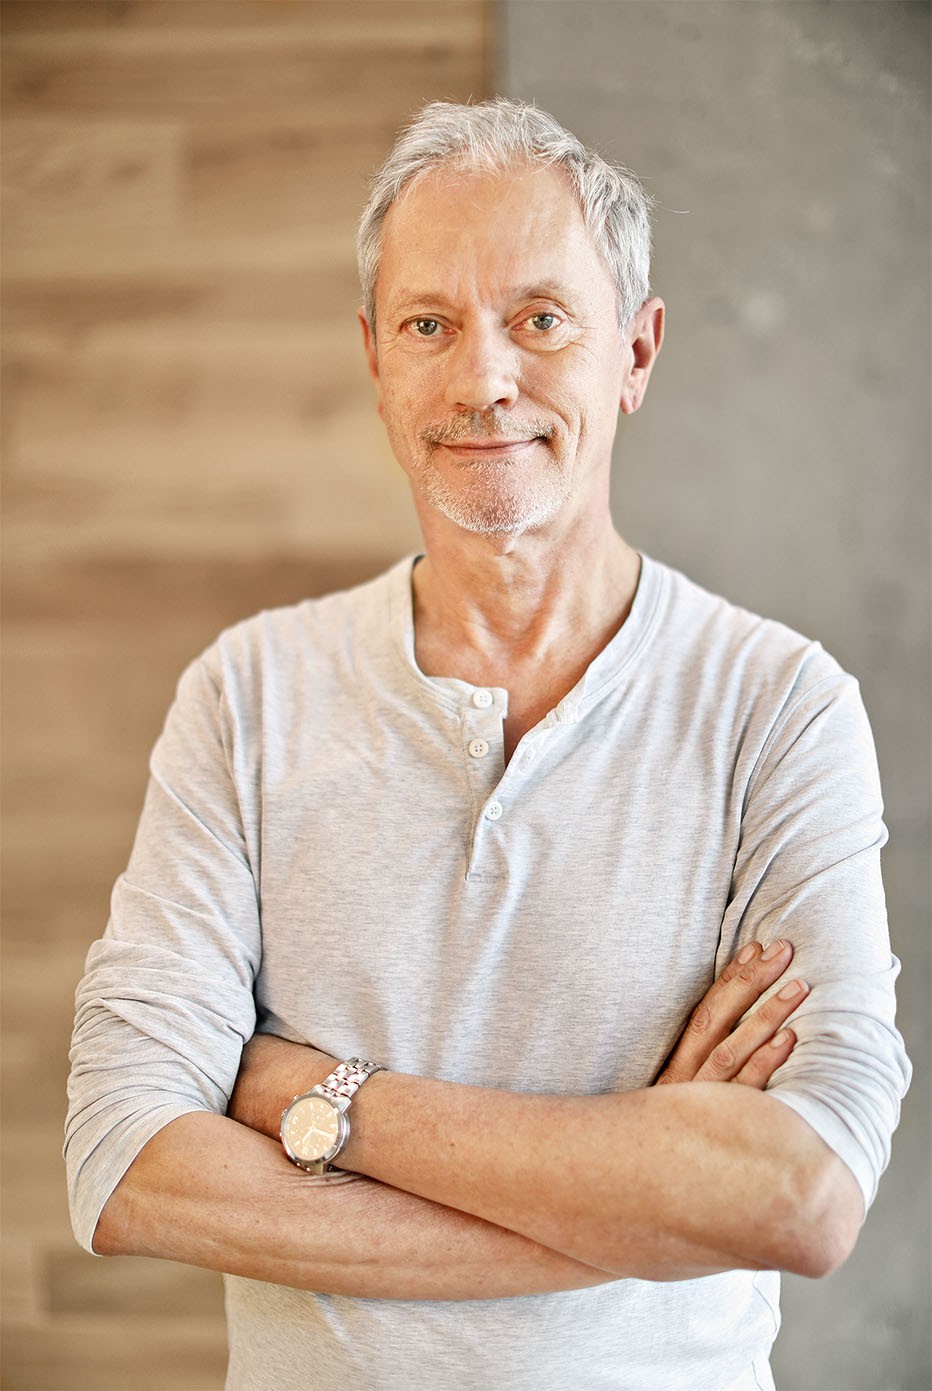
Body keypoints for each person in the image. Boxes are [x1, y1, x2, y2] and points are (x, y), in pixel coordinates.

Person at [65, 99, 910, 1391]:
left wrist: (321, 1098)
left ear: (636, 352)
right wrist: (635, 1201)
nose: (482, 381)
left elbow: (801, 1195)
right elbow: (125, 1165)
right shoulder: (246, 696)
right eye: (428, 326)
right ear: (374, 359)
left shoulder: (780, 709)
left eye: (542, 319)